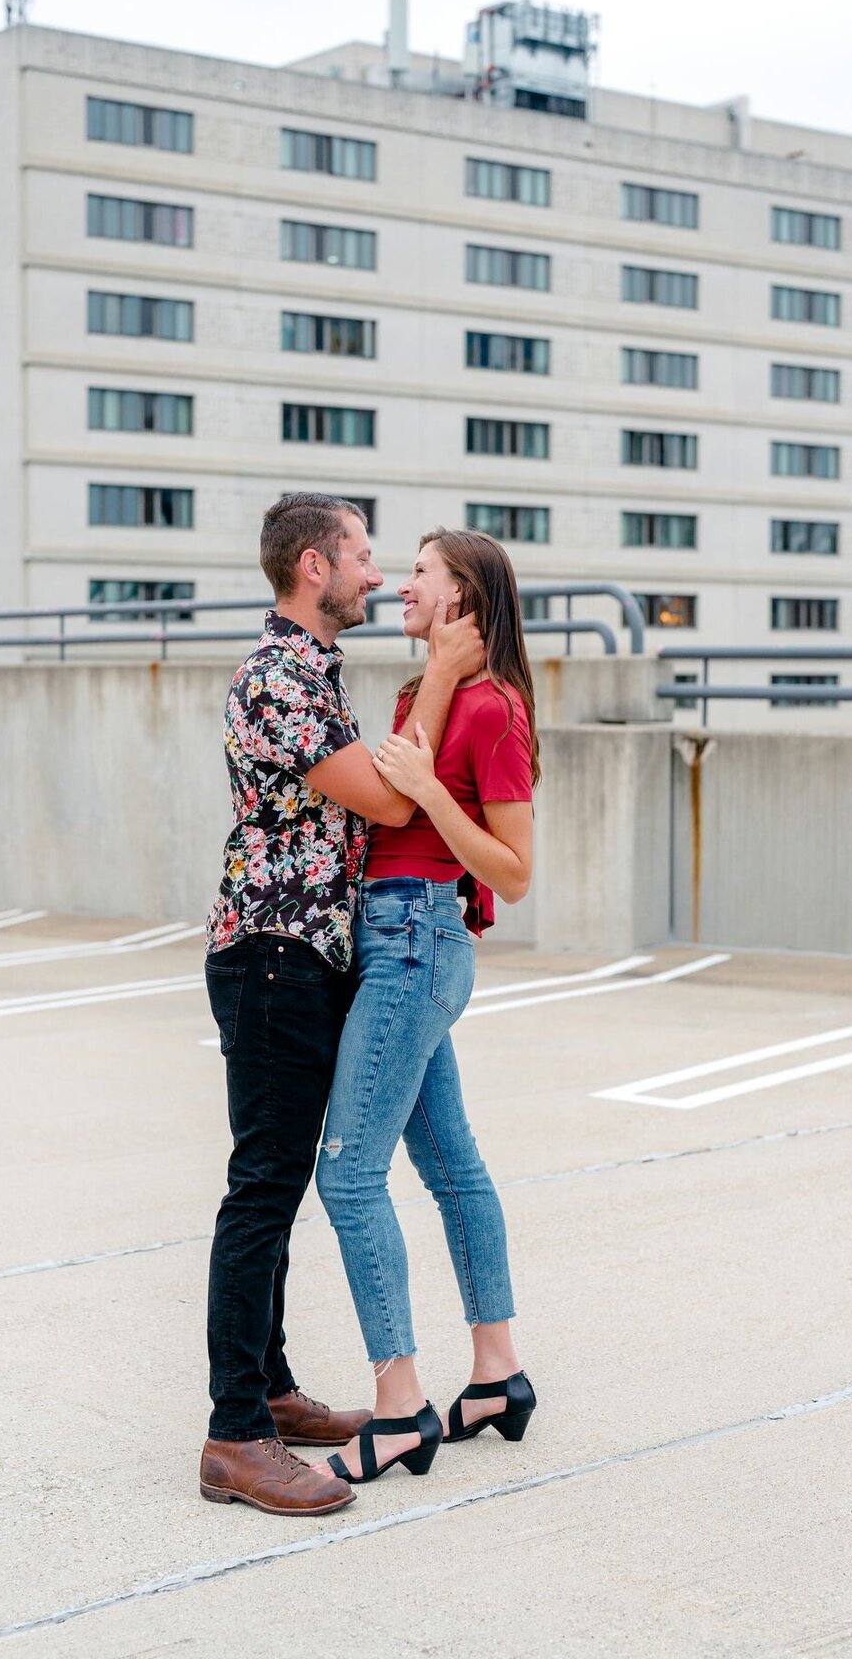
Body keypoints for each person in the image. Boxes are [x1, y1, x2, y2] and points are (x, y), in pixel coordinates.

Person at [199, 494, 485, 1516]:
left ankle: (268, 1392)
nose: (382, 575)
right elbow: (393, 801)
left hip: (303, 957)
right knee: (264, 1189)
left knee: (274, 1188)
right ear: (315, 567)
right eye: (366, 556)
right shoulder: (280, 674)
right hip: (273, 957)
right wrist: (447, 678)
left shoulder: (315, 669)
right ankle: (235, 1433)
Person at [314, 527, 539, 1487]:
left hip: (416, 939)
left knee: (348, 1174)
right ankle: (497, 1374)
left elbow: (516, 873)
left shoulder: (494, 710)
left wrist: (441, 810)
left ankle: (402, 1405)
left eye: (419, 575)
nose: (400, 586)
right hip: (389, 937)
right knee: (450, 1165)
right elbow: (389, 803)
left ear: (463, 602)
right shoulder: (424, 692)